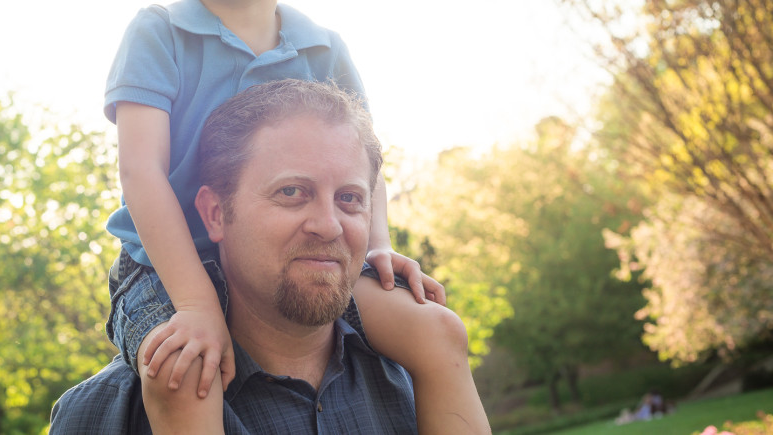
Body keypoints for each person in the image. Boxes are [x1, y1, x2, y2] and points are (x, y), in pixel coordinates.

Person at [103, 0, 448, 433]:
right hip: (167, 262)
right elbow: (140, 171)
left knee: (432, 329)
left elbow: (365, 169)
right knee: (187, 373)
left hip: (302, 249)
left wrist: (375, 249)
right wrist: (195, 303)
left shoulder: (324, 47)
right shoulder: (158, 33)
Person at [52, 80, 490, 434]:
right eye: (292, 192)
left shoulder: (423, 377)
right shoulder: (103, 416)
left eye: (350, 198)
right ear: (216, 214)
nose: (329, 224)